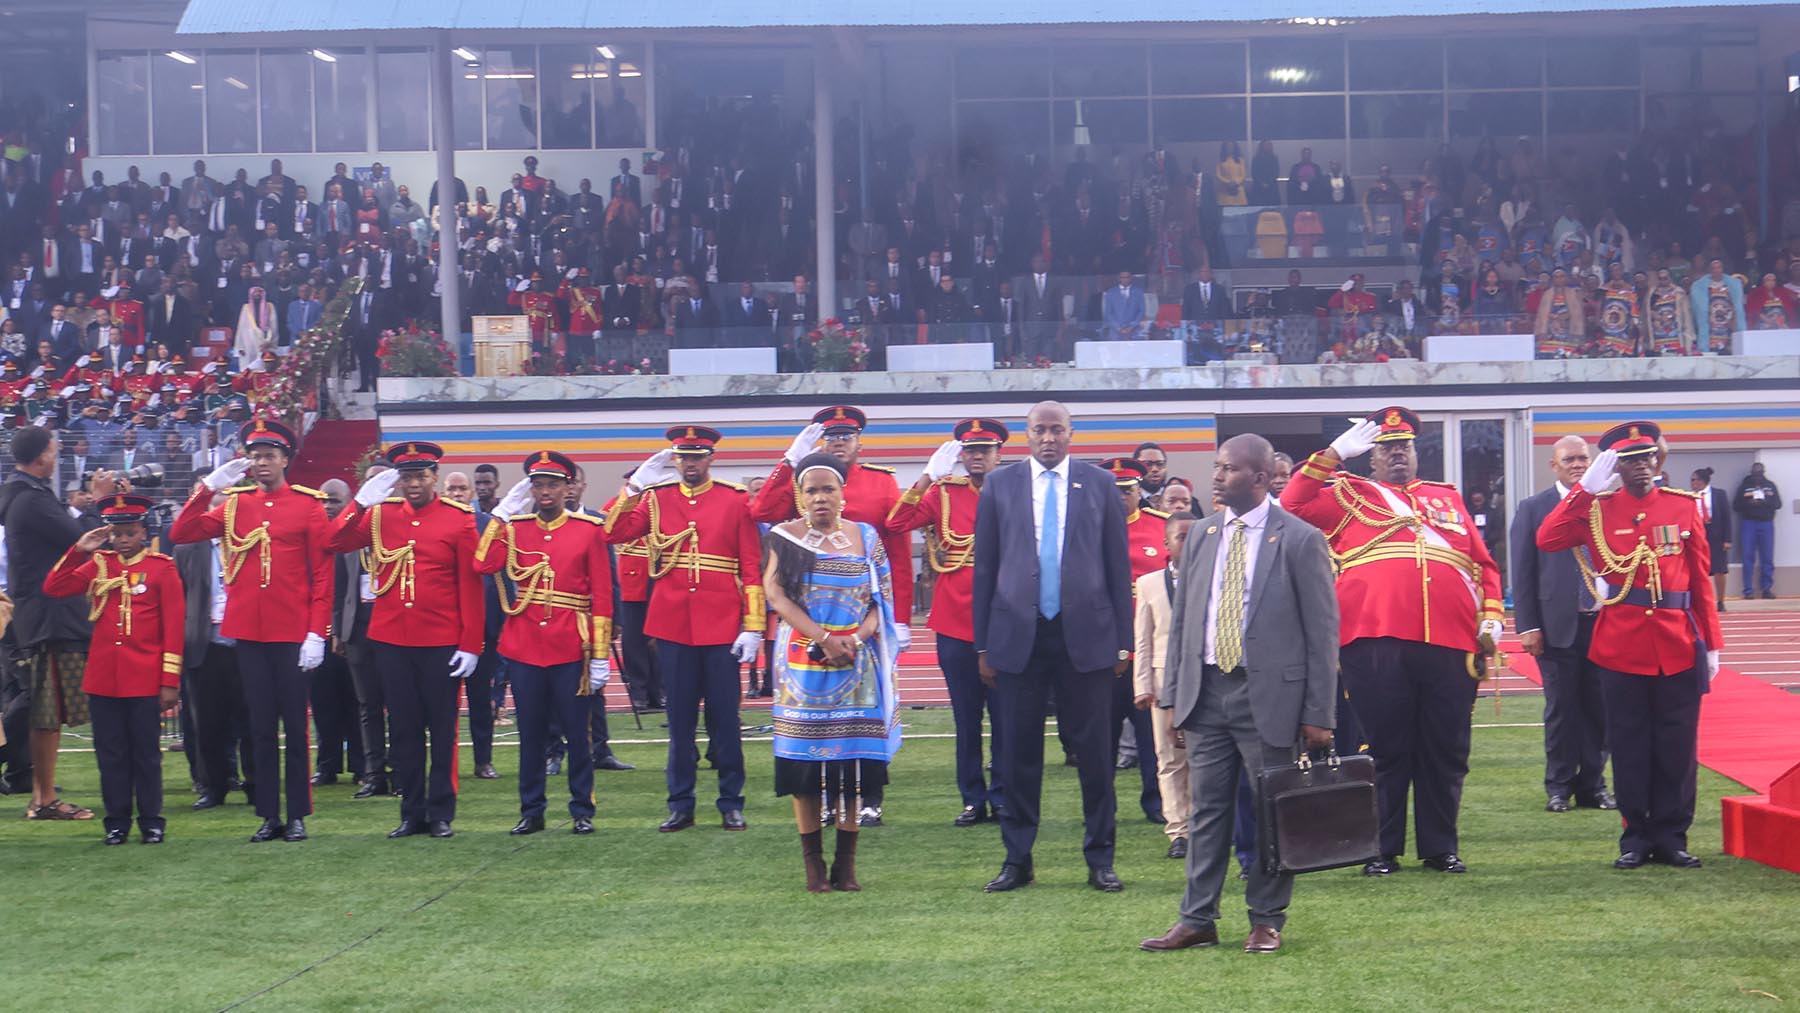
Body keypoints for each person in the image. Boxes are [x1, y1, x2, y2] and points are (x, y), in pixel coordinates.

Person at [1281, 407, 1503, 875]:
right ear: (1372, 457)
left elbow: (1482, 565)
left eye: (1403, 447)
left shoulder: (1447, 498)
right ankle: (1380, 848)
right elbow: (1294, 502)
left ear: (1416, 453)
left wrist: (1492, 616)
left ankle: (1440, 846)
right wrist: (1334, 454)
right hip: (1375, 637)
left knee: (1446, 746)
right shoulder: (1348, 494)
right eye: (1386, 448)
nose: (1396, 455)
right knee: (1383, 748)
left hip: (1450, 639)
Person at [1140, 434, 1338, 955]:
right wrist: (1177, 699)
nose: (1216, 476)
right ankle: (1197, 918)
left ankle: (1267, 919)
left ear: (1258, 477)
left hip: (1268, 697)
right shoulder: (1201, 534)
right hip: (1206, 694)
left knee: (1273, 812)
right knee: (1206, 812)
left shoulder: (1298, 538)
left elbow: (1322, 632)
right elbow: (1185, 622)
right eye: (1216, 467)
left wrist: (1319, 712)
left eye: (1227, 469)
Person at [1537, 421, 1723, 869]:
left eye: (1646, 457)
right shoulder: (1597, 508)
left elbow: (1701, 580)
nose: (1641, 467)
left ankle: (1672, 834)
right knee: (1629, 744)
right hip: (1621, 646)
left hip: (1677, 640)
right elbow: (1547, 538)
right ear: (1615, 466)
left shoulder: (1683, 506)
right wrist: (1584, 489)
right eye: (1630, 459)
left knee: (1677, 746)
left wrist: (1712, 644)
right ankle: (1635, 836)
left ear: (1657, 460)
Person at [972, 401, 1133, 893]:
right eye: (1039, 430)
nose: (1048, 438)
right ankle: (1017, 858)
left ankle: (1100, 858)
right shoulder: (1000, 484)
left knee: (1095, 753)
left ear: (1071, 433)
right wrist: (983, 644)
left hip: (1086, 636)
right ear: (1026, 435)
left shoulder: (1100, 484)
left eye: (1056, 430)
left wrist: (1124, 643)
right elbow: (985, 569)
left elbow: (1116, 567)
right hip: (1019, 636)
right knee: (1017, 752)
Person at [171, 418, 333, 843]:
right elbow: (182, 532)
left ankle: (296, 812)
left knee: (295, 728)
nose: (261, 463)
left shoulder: (308, 505)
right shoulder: (234, 505)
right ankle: (269, 814)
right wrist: (208, 487)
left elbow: (322, 575)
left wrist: (317, 632)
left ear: (285, 460)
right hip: (249, 633)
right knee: (258, 727)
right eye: (255, 455)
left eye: (269, 455)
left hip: (293, 633)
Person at [752, 406, 910, 825]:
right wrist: (790, 461)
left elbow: (893, 550)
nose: (839, 441)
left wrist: (893, 619)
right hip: (810, 641)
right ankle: (820, 801)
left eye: (846, 435)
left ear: (859, 441)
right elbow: (764, 512)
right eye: (832, 435)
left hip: (861, 629)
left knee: (863, 724)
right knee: (815, 727)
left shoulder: (882, 482)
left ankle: (869, 798)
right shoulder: (800, 485)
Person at [607, 426, 764, 832]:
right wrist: (636, 486)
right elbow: (613, 531)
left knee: (725, 720)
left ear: (710, 458)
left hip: (723, 624)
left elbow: (750, 567)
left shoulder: (734, 499)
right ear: (673, 460)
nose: (690, 464)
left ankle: (731, 801)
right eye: (683, 457)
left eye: (697, 457)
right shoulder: (656, 500)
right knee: (679, 722)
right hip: (675, 625)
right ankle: (680, 802)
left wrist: (753, 625)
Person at [764, 453, 903, 891]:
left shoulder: (866, 536)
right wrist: (823, 638)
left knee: (851, 768)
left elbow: (881, 602)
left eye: (829, 489)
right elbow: (777, 596)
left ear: (843, 494)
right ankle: (813, 867)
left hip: (857, 665)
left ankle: (846, 867)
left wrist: (856, 640)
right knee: (805, 771)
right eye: (811, 491)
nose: (820, 497)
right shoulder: (784, 537)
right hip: (803, 668)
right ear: (799, 497)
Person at [330, 443, 482, 839]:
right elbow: (335, 541)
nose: (414, 484)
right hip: (393, 638)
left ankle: (441, 811)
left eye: (421, 476)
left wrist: (471, 643)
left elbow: (470, 585)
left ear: (435, 477)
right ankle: (411, 811)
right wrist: (360, 502)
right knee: (403, 729)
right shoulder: (380, 516)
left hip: (441, 639)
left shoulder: (459, 518)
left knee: (443, 729)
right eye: (407, 477)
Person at [472, 452, 612, 835]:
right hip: (526, 644)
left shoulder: (588, 529)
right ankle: (531, 810)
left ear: (568, 488)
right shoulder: (515, 527)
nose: (545, 492)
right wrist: (500, 515)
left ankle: (582, 808)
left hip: (571, 644)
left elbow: (602, 596)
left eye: (553, 484)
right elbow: (483, 563)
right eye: (539, 485)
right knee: (531, 734)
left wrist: (600, 656)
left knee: (576, 733)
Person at [887, 419, 1008, 826]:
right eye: (970, 450)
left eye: (984, 450)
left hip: (1005, 618)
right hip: (956, 621)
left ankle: (1005, 796)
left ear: (998, 454)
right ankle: (973, 798)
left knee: (1007, 717)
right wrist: (926, 475)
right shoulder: (942, 494)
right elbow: (896, 523)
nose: (976, 457)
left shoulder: (1016, 491)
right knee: (966, 717)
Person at [42, 494, 183, 845]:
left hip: (144, 678)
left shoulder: (161, 568)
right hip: (105, 679)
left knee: (146, 755)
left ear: (143, 532)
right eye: (117, 533)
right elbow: (54, 587)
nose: (122, 539)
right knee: (111, 754)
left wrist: (169, 681)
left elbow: (174, 629)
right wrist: (80, 548)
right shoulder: (99, 564)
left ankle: (151, 820)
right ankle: (117, 821)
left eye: (130, 532)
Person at [0, 427, 111, 821]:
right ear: (40, 458)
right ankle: (42, 799)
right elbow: (84, 539)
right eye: (53, 450)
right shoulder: (29, 499)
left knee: (47, 709)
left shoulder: (25, 495)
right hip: (48, 618)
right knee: (45, 711)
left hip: (44, 615)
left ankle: (41, 795)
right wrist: (99, 502)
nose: (57, 456)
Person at [1509, 436, 1616, 814]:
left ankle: (1593, 786)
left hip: (1604, 623)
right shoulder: (1534, 508)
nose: (1577, 464)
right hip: (1556, 626)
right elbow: (1521, 573)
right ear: (1553, 465)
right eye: (1569, 459)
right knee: (1562, 709)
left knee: (1600, 709)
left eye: (1583, 458)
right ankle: (1558, 787)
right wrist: (1526, 626)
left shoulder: (1607, 503)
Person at [1100, 457, 1167, 825]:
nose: (1121, 497)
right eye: (1114, 491)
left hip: (1149, 648)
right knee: (1101, 736)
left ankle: (1156, 802)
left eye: (1127, 491)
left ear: (1139, 491)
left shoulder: (1159, 527)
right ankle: (1102, 804)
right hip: (1105, 648)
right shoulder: (1088, 529)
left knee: (1152, 735)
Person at [1131, 510, 1197, 859]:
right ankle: (1178, 831)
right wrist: (1142, 684)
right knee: (1169, 757)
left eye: (1193, 536)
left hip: (1205, 680)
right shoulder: (1149, 584)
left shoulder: (1213, 579)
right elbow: (1143, 638)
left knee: (1204, 756)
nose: (1188, 543)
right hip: (1161, 681)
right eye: (1181, 537)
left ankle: (1206, 824)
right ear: (1166, 543)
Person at [1733, 462, 1780, 599]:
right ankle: (1748, 590)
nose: (1757, 477)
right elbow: (1736, 505)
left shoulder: (1770, 485)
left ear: (1763, 473)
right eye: (1755, 474)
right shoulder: (1744, 486)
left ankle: (1766, 589)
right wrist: (1749, 504)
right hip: (1749, 523)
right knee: (1748, 557)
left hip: (1766, 524)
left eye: (1759, 474)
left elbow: (1778, 504)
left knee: (1767, 557)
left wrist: (1765, 502)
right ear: (1751, 473)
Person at [1691, 468, 1732, 611]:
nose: (1692, 483)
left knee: (1719, 569)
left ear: (1702, 481)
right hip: (1698, 534)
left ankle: (1720, 601)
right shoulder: (1689, 496)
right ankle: (1703, 601)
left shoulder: (1719, 494)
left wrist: (1727, 539)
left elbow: (1727, 517)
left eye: (1694, 479)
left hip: (1716, 535)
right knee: (1701, 569)